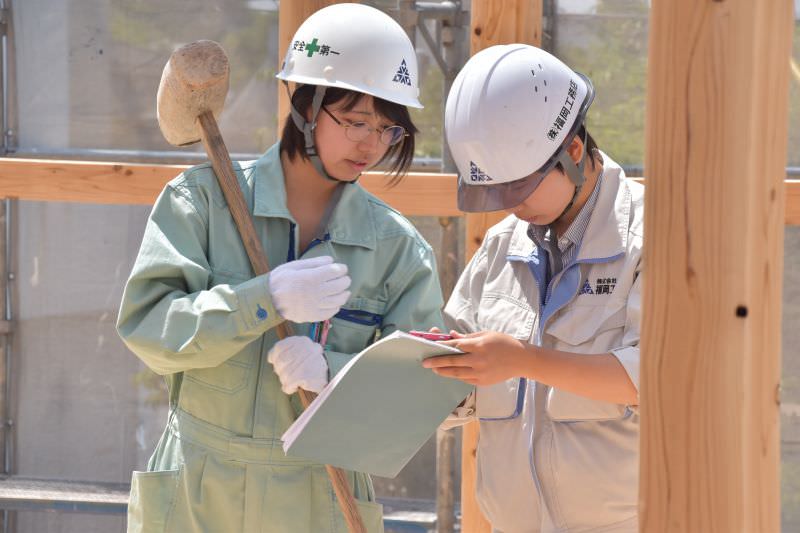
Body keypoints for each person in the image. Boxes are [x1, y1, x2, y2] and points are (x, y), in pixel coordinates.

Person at [116, 4, 444, 532]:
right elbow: (149, 331)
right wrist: (261, 298)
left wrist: (331, 376)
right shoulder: (202, 203)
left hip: (321, 496)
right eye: (356, 121)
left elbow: (417, 396)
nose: (370, 144)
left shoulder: (399, 251)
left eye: (388, 131)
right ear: (305, 105)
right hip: (200, 493)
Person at [423, 44, 643, 533]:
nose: (509, 205)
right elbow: (462, 368)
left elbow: (656, 378)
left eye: (519, 187)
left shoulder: (652, 237)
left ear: (573, 151)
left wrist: (521, 359)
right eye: (497, 191)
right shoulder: (502, 246)